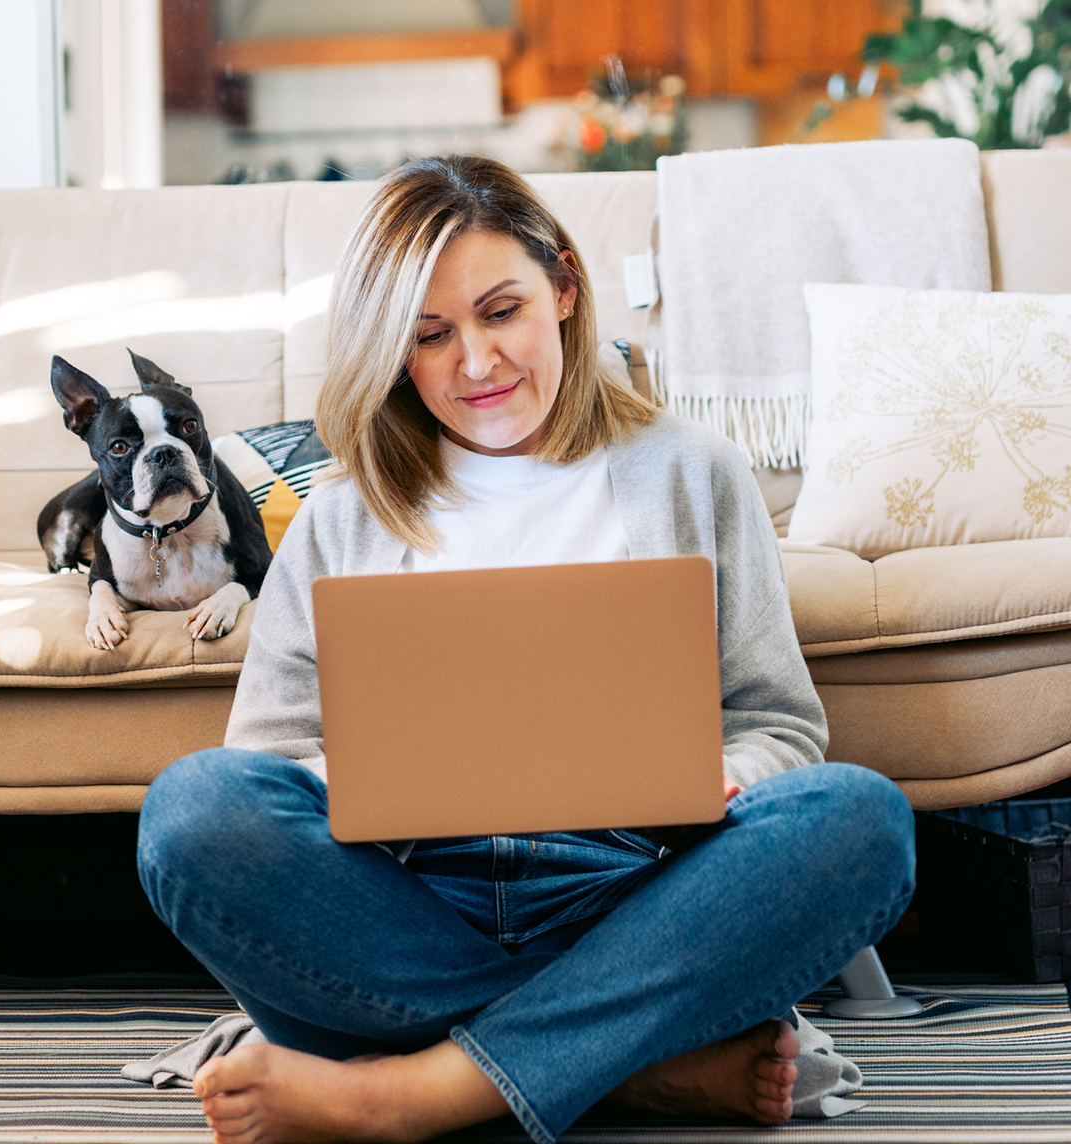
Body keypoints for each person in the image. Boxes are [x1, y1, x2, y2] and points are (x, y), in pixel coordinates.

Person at [136, 155, 916, 1144]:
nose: (475, 364)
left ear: (564, 287)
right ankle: (638, 1065)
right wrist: (359, 779)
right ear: (396, 354)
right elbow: (263, 764)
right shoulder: (341, 516)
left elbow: (777, 722)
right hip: (409, 901)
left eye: (500, 311)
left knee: (861, 821)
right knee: (190, 812)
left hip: (637, 891)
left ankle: (412, 1091)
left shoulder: (694, 473)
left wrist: (726, 772)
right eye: (430, 336)